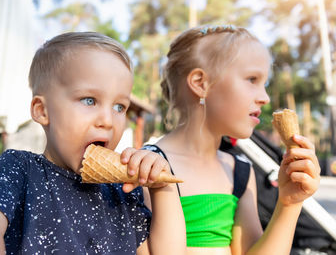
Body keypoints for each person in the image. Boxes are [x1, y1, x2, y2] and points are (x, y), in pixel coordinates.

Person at [0, 32, 186, 254]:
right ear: (42, 111)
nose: (107, 120)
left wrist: (161, 188)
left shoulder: (121, 194)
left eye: (119, 107)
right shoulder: (20, 170)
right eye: (89, 100)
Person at [136, 25, 321, 255]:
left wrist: (290, 203)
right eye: (252, 79)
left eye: (264, 84)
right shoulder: (147, 168)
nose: (264, 98)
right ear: (201, 83)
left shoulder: (240, 171)